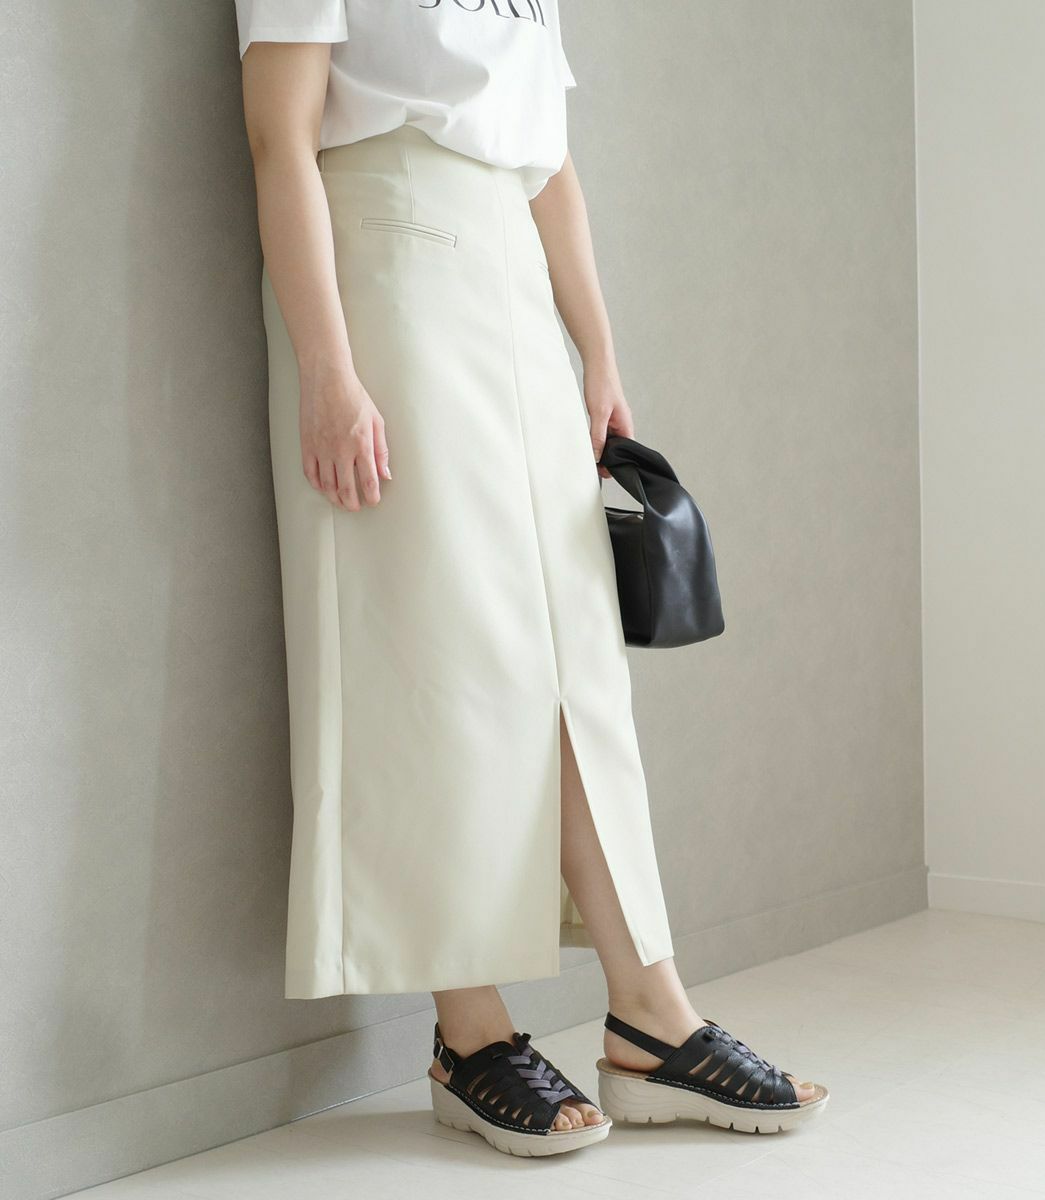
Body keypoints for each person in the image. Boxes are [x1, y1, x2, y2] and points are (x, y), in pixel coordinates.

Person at [235, 0, 827, 1157]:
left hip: (510, 276)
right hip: (387, 262)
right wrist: (326, 370)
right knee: (439, 646)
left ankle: (652, 1016)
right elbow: (278, 137)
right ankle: (471, 1032)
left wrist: (597, 350)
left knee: (575, 666)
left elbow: (549, 163)